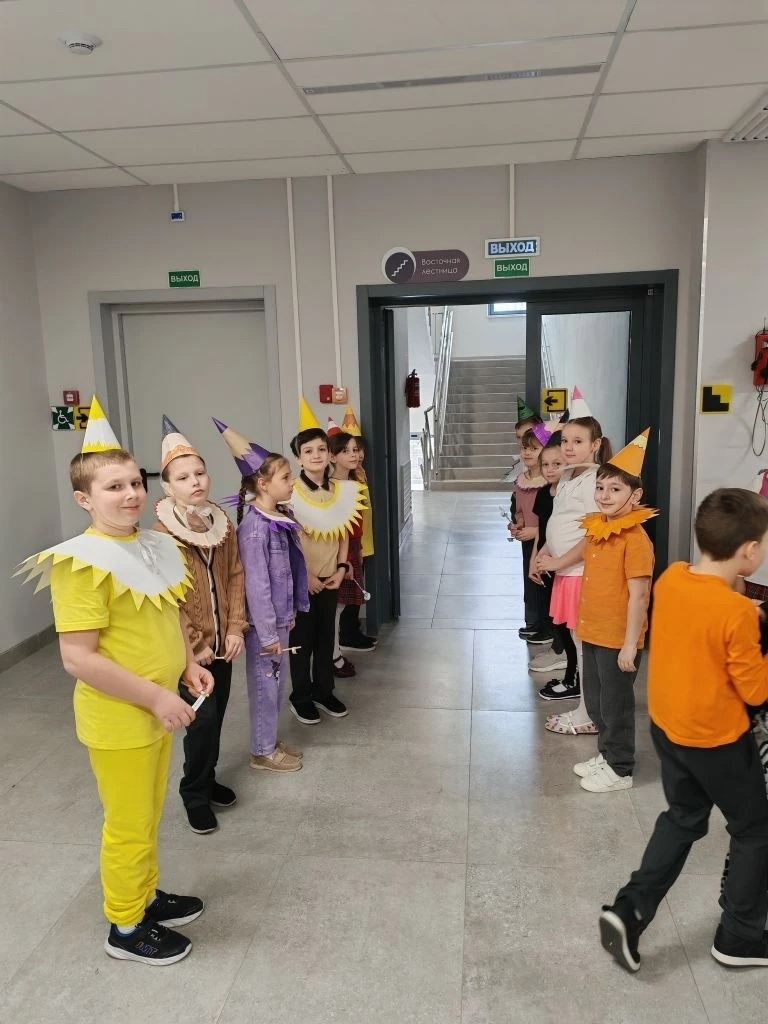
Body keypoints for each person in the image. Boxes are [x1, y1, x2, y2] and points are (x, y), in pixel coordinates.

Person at [16, 398, 213, 966]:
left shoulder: (152, 544)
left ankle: (145, 895)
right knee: (128, 822)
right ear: (85, 499)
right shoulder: (80, 563)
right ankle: (125, 926)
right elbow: (78, 659)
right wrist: (154, 695)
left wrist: (186, 665)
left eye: (135, 483)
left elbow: (169, 614)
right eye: (113, 487)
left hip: (158, 707)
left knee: (147, 813)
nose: (131, 495)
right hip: (121, 717)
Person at [600, 488, 768, 973]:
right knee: (755, 830)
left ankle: (629, 910)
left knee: (684, 817)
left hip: (669, 729)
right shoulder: (736, 612)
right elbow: (756, 691)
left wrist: (747, 614)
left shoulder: (673, 578)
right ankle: (739, 936)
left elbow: (704, 623)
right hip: (718, 742)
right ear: (750, 551)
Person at [153, 416, 247, 835]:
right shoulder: (162, 534)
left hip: (223, 644)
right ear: (167, 487)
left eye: (200, 473)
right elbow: (168, 597)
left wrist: (235, 627)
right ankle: (193, 793)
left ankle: (207, 780)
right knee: (202, 719)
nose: (195, 482)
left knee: (218, 714)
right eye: (183, 477)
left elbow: (235, 575)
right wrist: (194, 644)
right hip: (191, 651)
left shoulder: (220, 523)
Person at [214, 417, 307, 772]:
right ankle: (262, 751)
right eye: (285, 477)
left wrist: (289, 614)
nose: (292, 482)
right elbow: (257, 585)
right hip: (265, 626)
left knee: (276, 684)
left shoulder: (277, 516)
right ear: (263, 484)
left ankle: (268, 740)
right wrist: (268, 633)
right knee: (265, 686)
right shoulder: (255, 529)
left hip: (280, 619)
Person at [572, 431, 655, 793]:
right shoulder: (598, 529)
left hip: (617, 638)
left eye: (615, 489)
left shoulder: (636, 540)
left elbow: (639, 596)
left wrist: (629, 645)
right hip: (593, 631)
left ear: (635, 496)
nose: (605, 495)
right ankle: (606, 754)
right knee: (596, 702)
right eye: (601, 487)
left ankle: (620, 768)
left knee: (616, 706)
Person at [532, 388, 611, 732]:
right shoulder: (568, 474)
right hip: (566, 570)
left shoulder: (596, 480)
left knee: (583, 645)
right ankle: (586, 709)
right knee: (577, 642)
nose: (568, 447)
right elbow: (562, 520)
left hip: (580, 572)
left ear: (596, 444)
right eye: (565, 440)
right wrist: (546, 551)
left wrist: (560, 560)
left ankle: (587, 713)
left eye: (578, 441)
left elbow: (593, 536)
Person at [287, 399, 366, 724]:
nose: (316, 455)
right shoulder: (289, 494)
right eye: (308, 451)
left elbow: (344, 531)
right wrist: (304, 576)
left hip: (332, 575)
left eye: (321, 449)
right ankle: (301, 696)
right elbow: (288, 542)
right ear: (298, 458)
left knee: (325, 638)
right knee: (301, 641)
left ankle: (324, 690)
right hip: (303, 581)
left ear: (328, 453)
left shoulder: (342, 490)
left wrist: (342, 568)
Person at [530, 429, 576, 690]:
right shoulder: (543, 493)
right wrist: (534, 560)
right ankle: (567, 663)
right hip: (546, 564)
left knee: (569, 623)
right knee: (556, 618)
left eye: (556, 464)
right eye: (545, 464)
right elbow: (542, 532)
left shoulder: (569, 493)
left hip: (566, 566)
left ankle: (572, 670)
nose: (550, 469)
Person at [329, 425, 376, 668]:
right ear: (332, 457)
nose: (353, 455)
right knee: (336, 607)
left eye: (355, 450)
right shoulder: (331, 486)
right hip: (339, 551)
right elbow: (336, 528)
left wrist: (356, 550)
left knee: (343, 604)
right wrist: (343, 559)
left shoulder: (354, 482)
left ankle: (334, 652)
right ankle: (333, 655)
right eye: (346, 451)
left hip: (353, 547)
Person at [509, 427, 549, 644]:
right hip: (526, 540)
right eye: (524, 448)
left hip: (545, 540)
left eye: (534, 448)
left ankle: (546, 625)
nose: (527, 452)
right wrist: (517, 524)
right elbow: (519, 510)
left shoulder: (548, 481)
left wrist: (535, 531)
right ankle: (533, 621)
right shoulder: (520, 480)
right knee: (529, 580)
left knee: (542, 580)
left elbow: (551, 515)